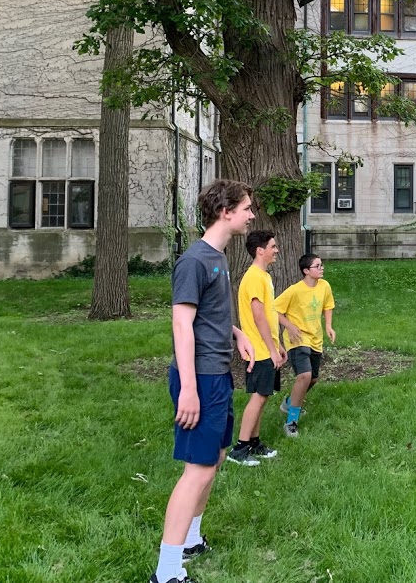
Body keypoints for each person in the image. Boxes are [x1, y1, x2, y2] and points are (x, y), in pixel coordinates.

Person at [150, 179, 257, 583]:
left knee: (215, 459)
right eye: (246, 209)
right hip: (200, 379)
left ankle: (191, 540)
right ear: (226, 212)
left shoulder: (218, 257)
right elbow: (182, 324)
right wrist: (190, 390)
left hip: (217, 373)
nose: (251, 215)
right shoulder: (194, 261)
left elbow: (209, 314)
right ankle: (166, 572)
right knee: (197, 470)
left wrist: (235, 332)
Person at [227, 230, 288, 466]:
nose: (277, 250)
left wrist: (278, 344)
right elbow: (258, 315)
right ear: (260, 251)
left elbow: (269, 316)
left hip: (267, 346)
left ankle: (254, 442)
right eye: (273, 246)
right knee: (259, 397)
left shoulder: (263, 276)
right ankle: (240, 449)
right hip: (259, 350)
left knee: (263, 396)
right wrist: (271, 349)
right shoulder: (253, 277)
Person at [273, 253, 335, 437]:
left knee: (313, 378)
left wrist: (329, 326)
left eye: (322, 265)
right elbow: (274, 310)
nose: (322, 268)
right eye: (318, 266)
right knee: (304, 376)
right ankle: (291, 421)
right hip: (297, 339)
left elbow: (328, 306)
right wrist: (290, 326)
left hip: (316, 339)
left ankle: (289, 403)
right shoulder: (294, 290)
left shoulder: (324, 286)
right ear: (306, 271)